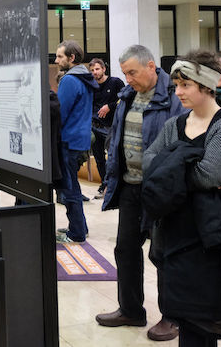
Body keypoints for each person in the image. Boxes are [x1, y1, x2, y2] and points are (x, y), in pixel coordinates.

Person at [142, 50, 221, 347]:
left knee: (204, 320)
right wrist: (186, 160)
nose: (178, 92)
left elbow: (209, 176)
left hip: (211, 238)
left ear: (206, 85)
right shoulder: (175, 124)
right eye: (176, 86)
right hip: (174, 233)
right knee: (183, 317)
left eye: (185, 85)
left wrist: (171, 165)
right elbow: (148, 162)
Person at [96, 44, 184, 342]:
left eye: (132, 72)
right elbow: (119, 136)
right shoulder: (127, 96)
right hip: (131, 187)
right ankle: (131, 309)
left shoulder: (175, 97)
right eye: (124, 73)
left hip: (161, 191)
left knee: (164, 254)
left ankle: (172, 318)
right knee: (125, 249)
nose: (128, 78)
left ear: (150, 66)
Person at [54, 40, 97, 243]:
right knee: (74, 187)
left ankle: (76, 233)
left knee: (68, 188)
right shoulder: (84, 77)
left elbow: (59, 112)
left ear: (72, 58)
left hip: (68, 140)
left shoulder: (70, 80)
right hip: (79, 139)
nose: (56, 60)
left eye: (60, 56)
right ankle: (79, 227)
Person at [89, 58, 124, 199]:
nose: (94, 72)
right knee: (99, 159)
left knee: (112, 157)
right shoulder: (91, 86)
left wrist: (110, 106)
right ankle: (104, 185)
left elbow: (124, 99)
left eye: (97, 69)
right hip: (95, 126)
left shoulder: (115, 82)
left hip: (110, 127)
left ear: (104, 69)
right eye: (92, 70)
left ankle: (112, 185)